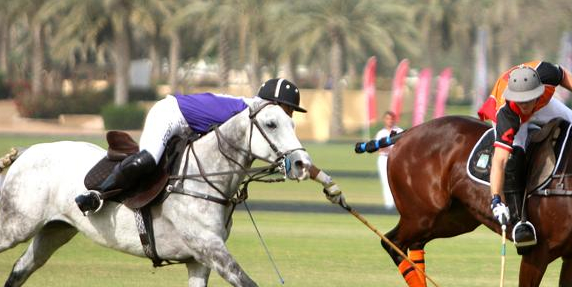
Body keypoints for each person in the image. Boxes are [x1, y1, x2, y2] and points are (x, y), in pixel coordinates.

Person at [75, 78, 347, 214]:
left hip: (191, 129)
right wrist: (322, 179)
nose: (290, 114)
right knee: (147, 159)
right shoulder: (247, 114)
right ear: (273, 105)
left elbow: (288, 157)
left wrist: (326, 180)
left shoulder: (260, 116)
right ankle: (98, 194)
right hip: (172, 115)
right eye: (289, 108)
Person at [478, 61, 572, 251]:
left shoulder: (545, 74)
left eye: (529, 100)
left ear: (538, 91)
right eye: (521, 101)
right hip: (512, 114)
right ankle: (519, 221)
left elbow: (563, 75)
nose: (525, 105)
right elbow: (499, 161)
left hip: (543, 104)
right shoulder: (507, 114)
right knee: (515, 156)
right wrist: (496, 200)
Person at [374, 111, 403, 210]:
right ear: (384, 120)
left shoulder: (399, 131)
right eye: (387, 119)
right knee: (386, 182)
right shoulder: (381, 133)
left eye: (391, 119)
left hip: (397, 159)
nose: (389, 121)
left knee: (398, 182)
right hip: (384, 158)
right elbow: (378, 148)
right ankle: (389, 206)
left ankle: (398, 204)